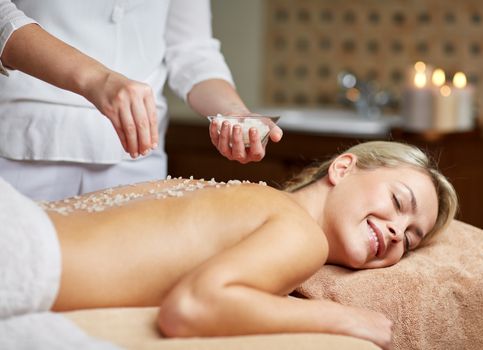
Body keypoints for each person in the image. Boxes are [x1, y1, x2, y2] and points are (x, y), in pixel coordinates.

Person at [0, 141, 458, 350]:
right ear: (342, 169)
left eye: (411, 239)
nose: (398, 232)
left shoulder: (242, 195)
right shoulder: (301, 234)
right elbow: (192, 308)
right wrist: (351, 319)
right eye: (399, 202)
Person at [0, 0, 283, 201]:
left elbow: (191, 50)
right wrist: (97, 80)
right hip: (24, 151)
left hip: (137, 161)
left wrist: (234, 113)